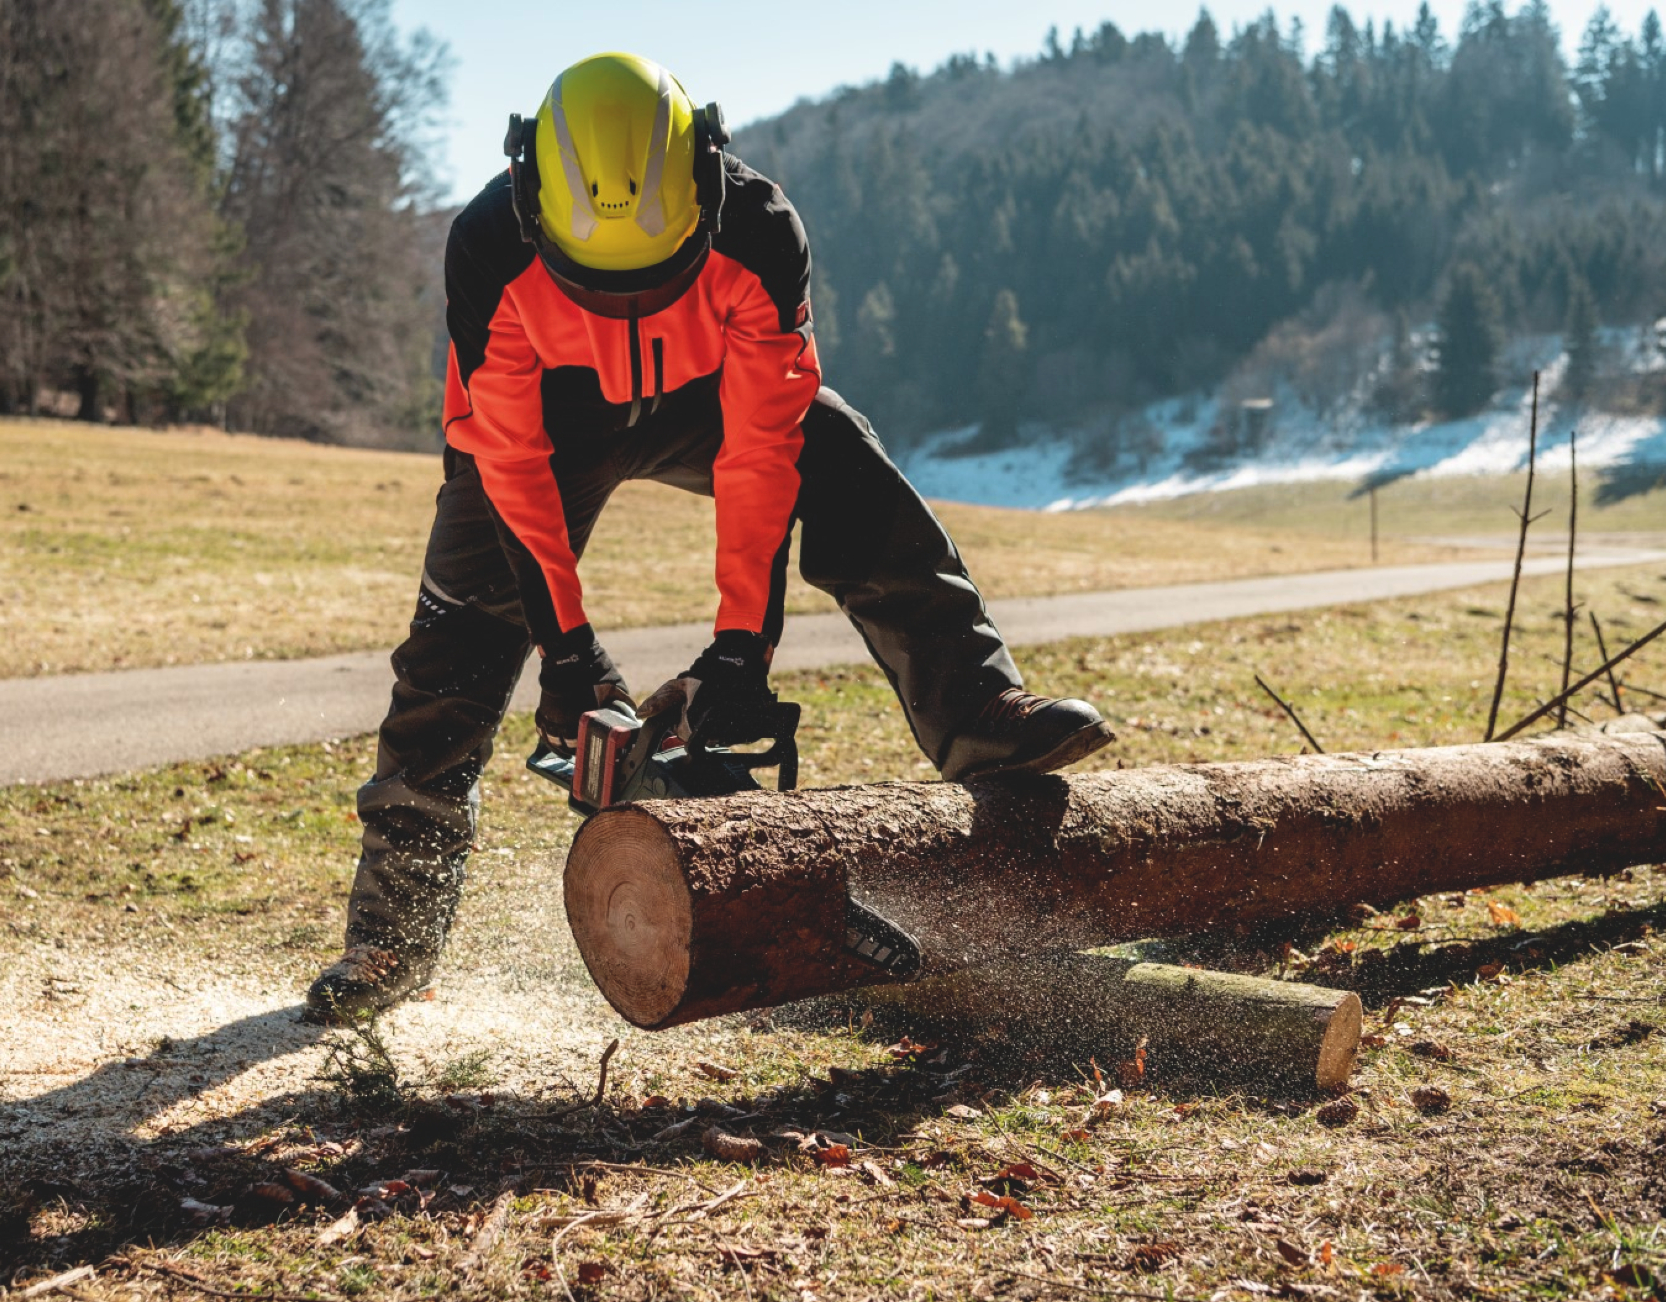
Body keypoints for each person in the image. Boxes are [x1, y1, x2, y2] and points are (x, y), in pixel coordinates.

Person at [304, 52, 1114, 1022]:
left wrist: (740, 649)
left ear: (704, 183)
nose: (628, 305)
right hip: (547, 425)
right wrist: (568, 655)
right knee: (459, 637)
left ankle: (977, 709)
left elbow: (764, 446)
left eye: (653, 277)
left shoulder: (760, 226)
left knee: (839, 454)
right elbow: (508, 458)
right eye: (601, 287)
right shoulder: (488, 243)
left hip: (705, 394)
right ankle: (392, 937)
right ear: (532, 200)